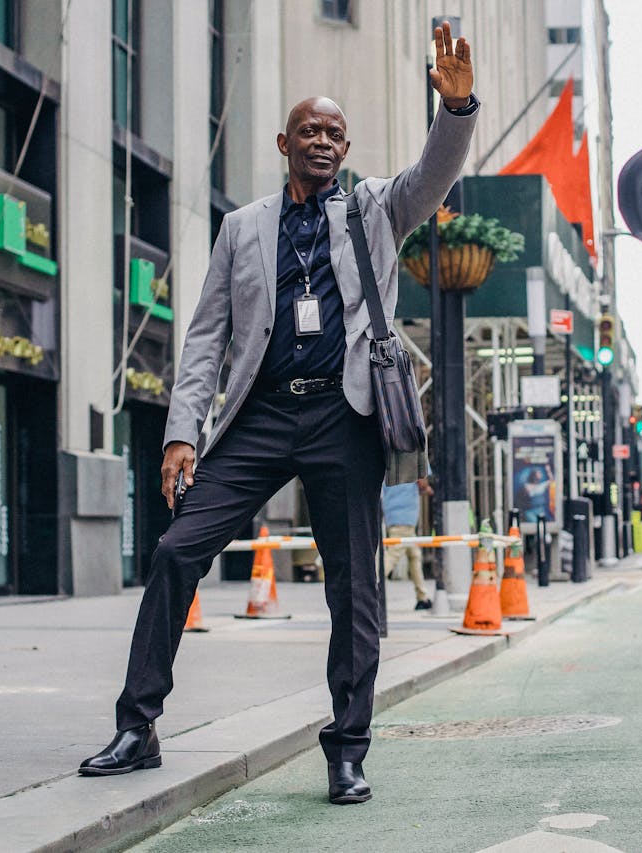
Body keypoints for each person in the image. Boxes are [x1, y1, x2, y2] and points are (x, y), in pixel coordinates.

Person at [79, 23, 477, 807]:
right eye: (309, 130)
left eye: (334, 132)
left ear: (346, 144)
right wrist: (183, 432)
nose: (322, 141)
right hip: (258, 416)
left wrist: (455, 110)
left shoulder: (374, 210)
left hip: (344, 415)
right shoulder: (243, 228)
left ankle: (347, 748)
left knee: (354, 591)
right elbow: (205, 338)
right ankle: (139, 724)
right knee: (174, 551)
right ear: (283, 142)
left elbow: (433, 176)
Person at [381, 477, 433, 609]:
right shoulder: (415, 456)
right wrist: (427, 489)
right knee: (393, 555)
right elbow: (422, 481)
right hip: (406, 514)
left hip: (392, 513)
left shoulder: (386, 459)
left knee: (414, 556)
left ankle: (422, 597)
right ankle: (372, 586)